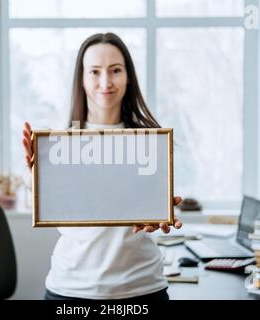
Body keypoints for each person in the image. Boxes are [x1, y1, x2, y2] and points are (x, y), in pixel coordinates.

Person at [22, 32, 183, 300]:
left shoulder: (151, 142)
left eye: (115, 70)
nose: (105, 82)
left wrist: (160, 216)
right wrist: (33, 182)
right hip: (71, 290)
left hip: (141, 289)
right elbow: (47, 210)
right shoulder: (57, 144)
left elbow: (153, 212)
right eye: (94, 72)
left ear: (128, 76)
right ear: (82, 80)